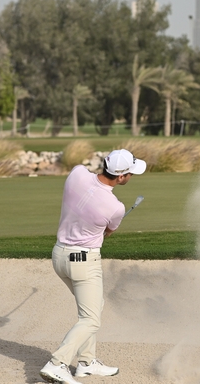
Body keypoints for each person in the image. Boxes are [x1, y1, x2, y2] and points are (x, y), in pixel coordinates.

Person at [40, 149, 146, 383]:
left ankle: (87, 362)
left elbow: (84, 175)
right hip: (84, 262)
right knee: (91, 319)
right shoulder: (115, 207)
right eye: (130, 173)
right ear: (121, 177)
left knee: (93, 306)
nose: (131, 177)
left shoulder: (76, 174)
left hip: (59, 256)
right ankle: (57, 363)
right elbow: (108, 230)